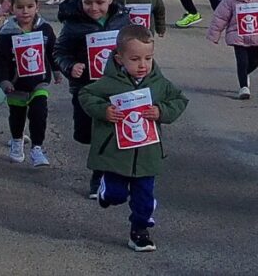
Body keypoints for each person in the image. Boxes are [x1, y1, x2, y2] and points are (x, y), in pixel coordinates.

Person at [78, 25, 189, 252]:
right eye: (135, 59)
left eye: (148, 58)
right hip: (116, 154)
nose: (142, 65)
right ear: (119, 58)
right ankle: (106, 190)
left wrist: (161, 111)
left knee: (145, 199)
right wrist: (104, 110)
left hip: (147, 153)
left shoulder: (158, 82)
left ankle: (140, 232)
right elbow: (86, 94)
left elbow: (179, 99)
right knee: (117, 194)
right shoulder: (110, 82)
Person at [54, 0, 131, 198]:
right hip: (87, 89)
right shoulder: (73, 24)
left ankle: (102, 178)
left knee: (108, 132)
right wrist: (70, 66)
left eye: (100, 2)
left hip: (117, 87)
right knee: (87, 133)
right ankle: (104, 172)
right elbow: (59, 51)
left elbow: (133, 47)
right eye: (88, 2)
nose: (94, 7)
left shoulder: (121, 19)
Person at [0, 0, 60, 167]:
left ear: (37, 6)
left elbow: (52, 51)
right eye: (20, 7)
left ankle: (37, 148)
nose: (25, 12)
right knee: (17, 115)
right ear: (12, 8)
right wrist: (4, 80)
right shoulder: (7, 33)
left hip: (39, 81)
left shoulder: (44, 29)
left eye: (30, 6)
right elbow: (0, 60)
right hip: (15, 84)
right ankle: (16, 141)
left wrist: (56, 70)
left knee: (39, 113)